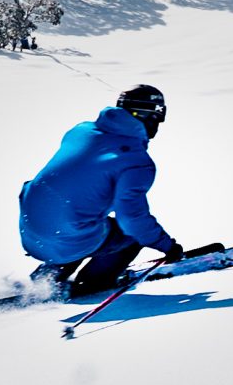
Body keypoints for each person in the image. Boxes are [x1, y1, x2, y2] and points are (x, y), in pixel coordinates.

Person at [20, 84, 185, 298]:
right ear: (150, 115)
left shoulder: (81, 130)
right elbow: (132, 219)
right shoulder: (136, 161)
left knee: (82, 221)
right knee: (131, 236)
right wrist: (167, 247)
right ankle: (93, 285)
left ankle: (47, 279)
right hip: (66, 235)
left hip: (32, 230)